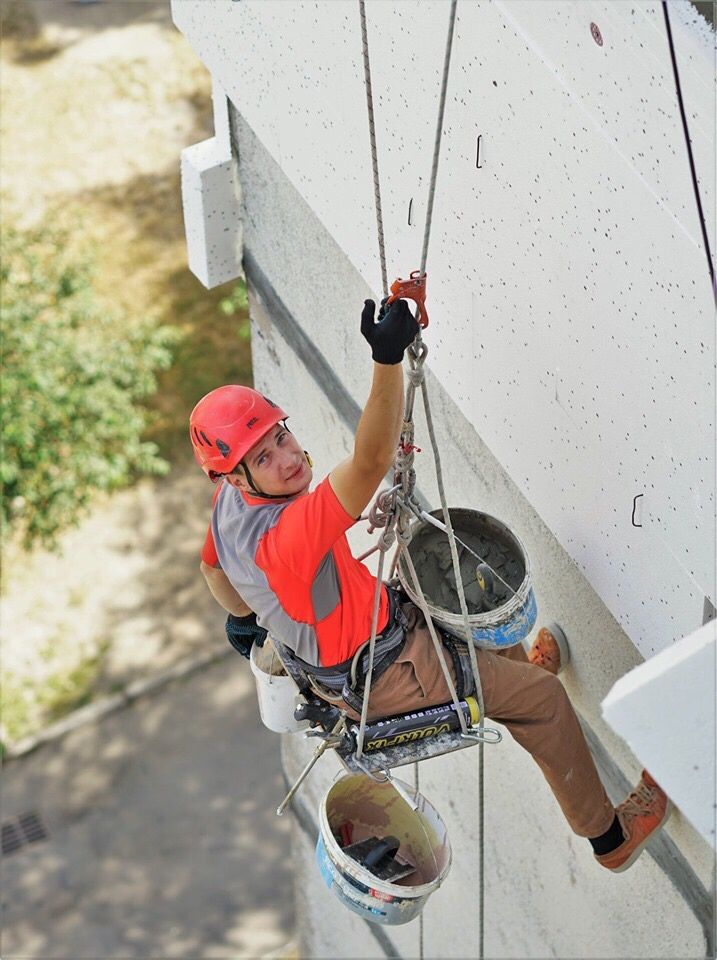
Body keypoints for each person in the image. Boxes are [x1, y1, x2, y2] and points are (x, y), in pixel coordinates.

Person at [192, 297, 670, 873]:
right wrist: (386, 359)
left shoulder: (229, 506)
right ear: (235, 473)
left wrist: (247, 619)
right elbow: (368, 463)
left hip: (368, 639)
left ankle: (510, 680)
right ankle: (610, 838)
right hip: (391, 673)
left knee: (465, 604)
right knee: (545, 704)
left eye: (281, 437)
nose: (287, 458)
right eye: (264, 457)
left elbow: (213, 568)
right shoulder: (285, 539)